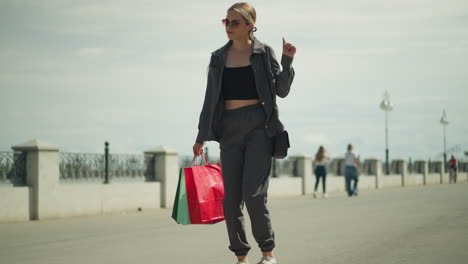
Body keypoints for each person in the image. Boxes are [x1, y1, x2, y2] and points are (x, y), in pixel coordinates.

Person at [192, 3, 296, 264]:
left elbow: (281, 90)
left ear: (250, 25)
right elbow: (210, 98)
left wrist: (287, 59)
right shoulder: (217, 57)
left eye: (235, 22)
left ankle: (268, 253)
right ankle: (241, 257)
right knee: (231, 200)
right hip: (228, 128)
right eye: (225, 22)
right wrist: (200, 136)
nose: (229, 27)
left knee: (253, 194)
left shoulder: (263, 53)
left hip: (259, 127)